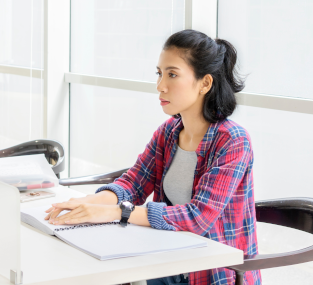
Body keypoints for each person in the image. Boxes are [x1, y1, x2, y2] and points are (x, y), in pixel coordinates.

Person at [45, 29, 261, 285]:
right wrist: (88, 204)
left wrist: (116, 213)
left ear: (205, 83)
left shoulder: (232, 140)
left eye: (172, 75)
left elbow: (197, 217)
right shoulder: (169, 133)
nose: (160, 86)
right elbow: (133, 184)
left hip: (214, 275)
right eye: (159, 74)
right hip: (166, 264)